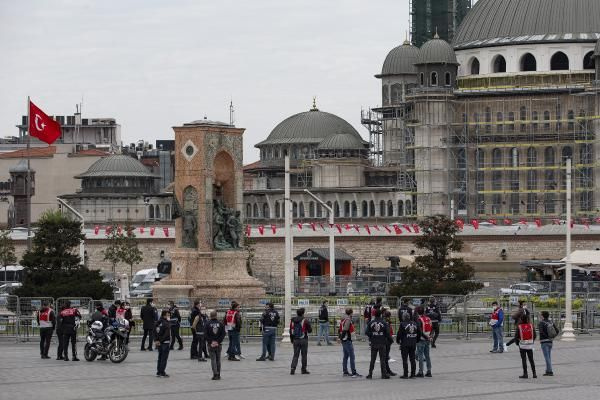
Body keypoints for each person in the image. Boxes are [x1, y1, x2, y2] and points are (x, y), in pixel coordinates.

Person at [506, 313, 537, 379]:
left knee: (524, 360)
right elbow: (535, 335)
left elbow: (516, 337)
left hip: (522, 345)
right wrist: (532, 341)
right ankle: (534, 374)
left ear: (521, 319)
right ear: (527, 319)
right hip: (530, 345)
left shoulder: (519, 327)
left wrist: (518, 343)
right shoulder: (531, 326)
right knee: (531, 359)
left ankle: (525, 374)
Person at [397, 311, 424, 379]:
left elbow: (399, 334)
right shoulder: (415, 323)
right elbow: (420, 333)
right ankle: (413, 374)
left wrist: (398, 341)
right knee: (412, 359)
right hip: (413, 343)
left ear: (404, 317)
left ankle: (405, 374)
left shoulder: (402, 324)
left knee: (405, 359)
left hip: (405, 344)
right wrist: (416, 340)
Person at [365, 308, 392, 379]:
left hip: (374, 343)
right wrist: (390, 340)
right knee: (382, 359)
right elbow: (387, 333)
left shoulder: (371, 323)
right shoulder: (384, 323)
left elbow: (367, 332)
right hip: (382, 343)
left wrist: (372, 336)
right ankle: (384, 374)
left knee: (372, 359)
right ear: (380, 315)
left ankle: (370, 374)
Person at [339, 308, 361, 377]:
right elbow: (345, 330)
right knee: (352, 356)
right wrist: (341, 338)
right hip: (347, 340)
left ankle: (345, 371)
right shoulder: (348, 320)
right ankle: (354, 372)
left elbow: (340, 329)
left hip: (344, 340)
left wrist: (340, 338)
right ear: (351, 313)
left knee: (345, 356)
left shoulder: (343, 319)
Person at [290, 307, 312, 375]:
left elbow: (290, 331)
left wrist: (292, 339)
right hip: (303, 339)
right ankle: (303, 369)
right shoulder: (305, 320)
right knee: (304, 355)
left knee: (295, 355)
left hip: (295, 339)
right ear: (303, 313)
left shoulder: (292, 320)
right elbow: (310, 330)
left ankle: (293, 368)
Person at [205, 310, 226, 380]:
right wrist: (218, 341)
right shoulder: (221, 323)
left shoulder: (207, 324)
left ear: (210, 316)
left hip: (210, 344)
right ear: (216, 316)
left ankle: (215, 374)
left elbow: (205, 334)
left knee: (213, 359)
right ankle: (219, 374)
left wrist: (211, 342)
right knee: (218, 359)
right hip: (219, 344)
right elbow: (223, 334)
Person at [538, 311, 559, 376]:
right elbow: (557, 331)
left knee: (546, 357)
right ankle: (547, 370)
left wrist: (546, 337)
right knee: (549, 356)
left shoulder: (541, 323)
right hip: (550, 341)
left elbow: (541, 332)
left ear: (543, 316)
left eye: (540, 315)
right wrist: (552, 337)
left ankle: (550, 371)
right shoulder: (551, 322)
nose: (540, 316)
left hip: (544, 342)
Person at [415, 306, 432, 377]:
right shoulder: (428, 319)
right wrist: (430, 337)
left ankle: (421, 371)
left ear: (417, 312)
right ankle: (429, 370)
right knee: (427, 356)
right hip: (428, 339)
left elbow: (420, 331)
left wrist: (424, 337)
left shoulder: (419, 320)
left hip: (421, 339)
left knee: (421, 356)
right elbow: (432, 328)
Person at [154, 309, 172, 377]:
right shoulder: (166, 323)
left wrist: (156, 340)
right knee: (164, 358)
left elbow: (154, 332)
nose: (169, 316)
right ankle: (162, 372)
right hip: (165, 342)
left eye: (169, 315)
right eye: (168, 315)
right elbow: (166, 334)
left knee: (160, 357)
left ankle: (158, 371)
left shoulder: (158, 322)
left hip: (159, 343)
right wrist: (160, 341)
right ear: (164, 315)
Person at [383, 310, 396, 376]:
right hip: (387, 341)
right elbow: (388, 333)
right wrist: (391, 340)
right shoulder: (386, 323)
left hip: (387, 340)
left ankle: (387, 370)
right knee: (386, 356)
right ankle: (387, 370)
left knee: (386, 356)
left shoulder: (386, 322)